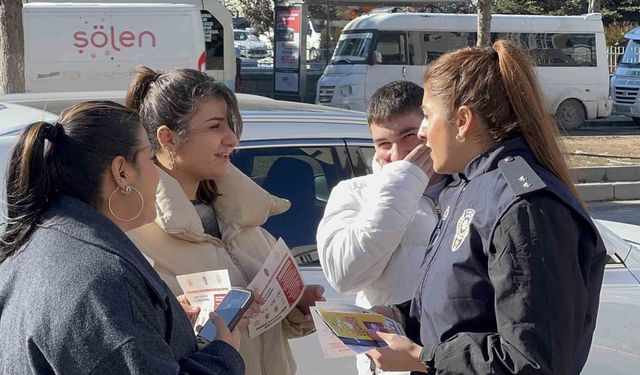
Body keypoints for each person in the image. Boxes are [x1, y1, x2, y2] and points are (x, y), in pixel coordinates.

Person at [365, 40, 607, 374]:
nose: (422, 133)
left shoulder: (524, 206)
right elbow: (464, 306)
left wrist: (422, 358)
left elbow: (533, 359)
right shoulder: (473, 187)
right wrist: (400, 318)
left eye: (427, 116)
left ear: (463, 120)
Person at [0, 101, 246, 374]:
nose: (159, 173)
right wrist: (224, 355)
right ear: (121, 172)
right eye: (151, 159)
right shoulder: (105, 278)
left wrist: (164, 326)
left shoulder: (35, 240)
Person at [125, 66, 324, 375]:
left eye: (230, 125)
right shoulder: (134, 237)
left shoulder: (245, 218)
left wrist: (296, 311)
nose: (232, 139)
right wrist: (193, 323)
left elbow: (267, 334)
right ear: (168, 138)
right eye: (216, 126)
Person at [316, 81, 445, 375]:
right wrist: (404, 183)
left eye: (409, 136)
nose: (397, 154)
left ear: (429, 128)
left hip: (458, 359)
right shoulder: (353, 193)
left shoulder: (466, 188)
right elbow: (345, 275)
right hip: (393, 367)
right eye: (384, 145)